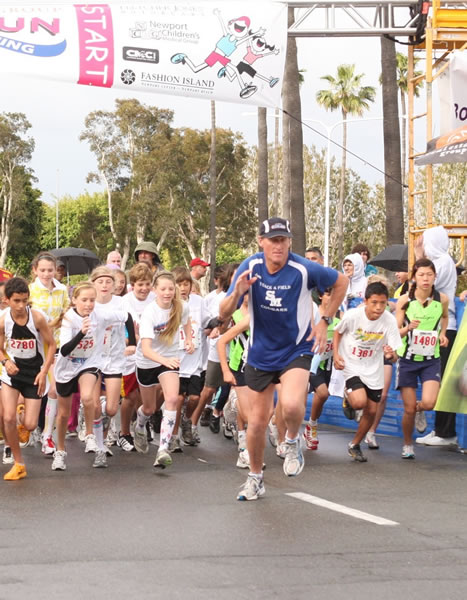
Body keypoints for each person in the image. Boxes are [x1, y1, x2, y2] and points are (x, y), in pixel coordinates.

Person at [219, 217, 347, 501]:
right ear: (261, 242)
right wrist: (238, 292)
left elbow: (341, 282)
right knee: (256, 422)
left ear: (290, 241)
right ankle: (255, 477)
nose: (279, 245)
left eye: (283, 240)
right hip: (261, 353)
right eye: (273, 240)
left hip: (296, 349)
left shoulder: (303, 268)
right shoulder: (250, 266)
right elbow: (225, 310)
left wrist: (325, 320)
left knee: (290, 404)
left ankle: (291, 442)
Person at [52, 282, 131, 471]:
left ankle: (89, 435)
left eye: (92, 300)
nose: (89, 304)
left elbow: (126, 317)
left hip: (90, 363)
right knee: (63, 414)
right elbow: (64, 350)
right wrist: (81, 333)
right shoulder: (69, 320)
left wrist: (133, 342)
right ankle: (60, 451)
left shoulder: (100, 315)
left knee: (88, 397)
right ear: (74, 300)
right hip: (67, 367)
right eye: (84, 300)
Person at [333, 282, 402, 463]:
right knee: (359, 402)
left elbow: (394, 356)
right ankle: (349, 396)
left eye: (383, 303)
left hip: (374, 368)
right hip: (352, 364)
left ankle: (355, 444)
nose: (379, 307)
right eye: (374, 302)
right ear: (365, 301)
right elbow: (337, 332)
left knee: (371, 410)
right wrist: (336, 354)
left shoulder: (389, 321)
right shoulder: (353, 315)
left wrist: (390, 354)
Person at [133, 271, 194, 469]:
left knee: (172, 399)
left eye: (170, 289)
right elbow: (147, 349)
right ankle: (140, 425)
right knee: (149, 408)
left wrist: (189, 339)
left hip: (170, 359)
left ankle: (163, 449)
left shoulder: (181, 306)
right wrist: (164, 360)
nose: (167, 293)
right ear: (154, 290)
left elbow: (186, 321)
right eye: (163, 289)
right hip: (148, 361)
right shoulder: (150, 313)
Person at [0, 277, 56, 480]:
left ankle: (22, 414)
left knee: (31, 425)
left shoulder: (37, 318)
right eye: (17, 301)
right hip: (12, 374)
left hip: (34, 375)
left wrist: (44, 372)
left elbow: (52, 345)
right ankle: (18, 463)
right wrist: (6, 362)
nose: (21, 305)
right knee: (7, 418)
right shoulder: (3, 319)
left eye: (25, 300)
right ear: (7, 300)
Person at [396, 259, 449, 459]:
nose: (425, 279)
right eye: (421, 275)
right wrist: (408, 328)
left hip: (431, 358)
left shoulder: (442, 299)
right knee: (408, 410)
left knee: (429, 403)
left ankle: (421, 409)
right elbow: (395, 332)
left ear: (435, 276)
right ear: (414, 278)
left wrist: (442, 334)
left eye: (429, 274)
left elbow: (444, 317)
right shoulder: (404, 301)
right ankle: (408, 444)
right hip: (408, 359)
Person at [414, 226, 458, 447]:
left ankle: (445, 431)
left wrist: (419, 256)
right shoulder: (441, 262)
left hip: (444, 327)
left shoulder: (443, 263)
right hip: (432, 328)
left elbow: (422, 288)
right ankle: (440, 428)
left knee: (441, 378)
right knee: (434, 377)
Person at [90, 267, 136, 467]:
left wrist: (132, 342)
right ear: (93, 284)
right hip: (92, 358)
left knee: (110, 408)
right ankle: (100, 446)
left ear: (115, 285)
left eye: (109, 282)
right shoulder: (90, 303)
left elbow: (129, 320)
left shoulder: (120, 302)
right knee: (93, 404)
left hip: (115, 358)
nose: (105, 285)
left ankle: (98, 419)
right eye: (100, 282)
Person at [29, 251, 69, 456]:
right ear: (35, 270)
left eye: (50, 270)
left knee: (54, 390)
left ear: (56, 271)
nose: (46, 274)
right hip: (34, 347)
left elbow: (66, 313)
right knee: (35, 390)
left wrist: (56, 324)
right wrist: (50, 325)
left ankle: (47, 436)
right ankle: (31, 427)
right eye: (42, 270)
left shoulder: (62, 290)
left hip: (58, 345)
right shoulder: (29, 292)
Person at [118, 264, 155, 452]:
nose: (144, 288)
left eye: (148, 284)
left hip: (151, 354)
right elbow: (118, 329)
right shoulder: (124, 302)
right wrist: (131, 339)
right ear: (132, 285)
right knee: (131, 396)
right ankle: (123, 433)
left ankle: (142, 422)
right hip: (130, 356)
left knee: (150, 395)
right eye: (140, 284)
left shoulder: (156, 300)